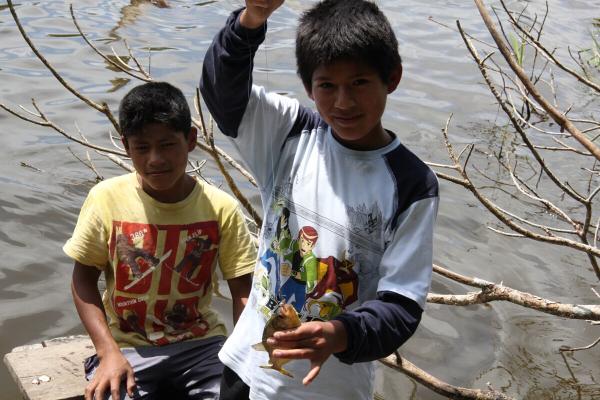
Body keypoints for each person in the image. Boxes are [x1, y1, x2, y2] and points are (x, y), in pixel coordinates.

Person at [200, 0, 439, 398]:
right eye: (327, 85)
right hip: (245, 369)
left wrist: (340, 333)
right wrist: (250, 21)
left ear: (392, 78)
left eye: (359, 83)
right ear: (308, 86)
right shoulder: (290, 133)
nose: (343, 102)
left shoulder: (412, 183)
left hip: (329, 390)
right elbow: (221, 91)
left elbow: (402, 304)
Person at [64, 81, 256, 400]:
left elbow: (243, 292)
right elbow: (82, 281)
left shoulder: (220, 207)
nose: (155, 159)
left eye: (167, 145)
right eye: (142, 148)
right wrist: (107, 351)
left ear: (190, 140)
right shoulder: (105, 198)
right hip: (128, 347)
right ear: (126, 147)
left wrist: (244, 354)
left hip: (202, 345)